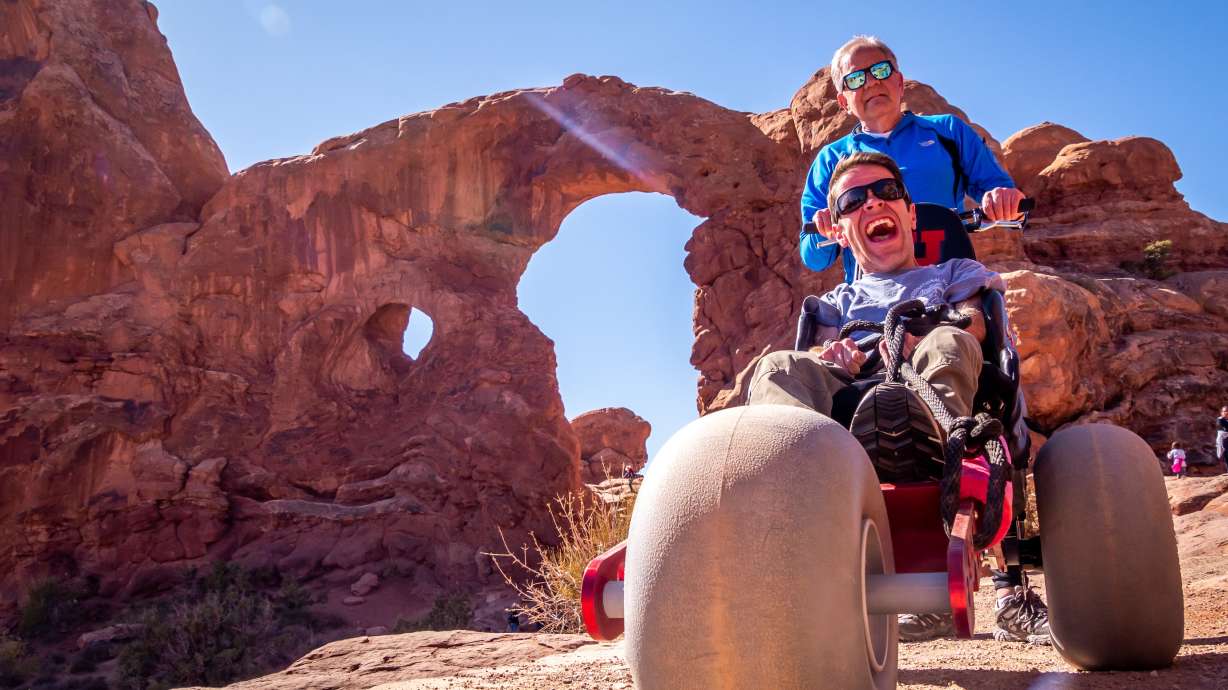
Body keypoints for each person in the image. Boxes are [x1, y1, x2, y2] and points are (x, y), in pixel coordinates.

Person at [751, 151, 1051, 645]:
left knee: (949, 341)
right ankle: (784, 497)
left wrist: (926, 329)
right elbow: (814, 358)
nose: (872, 204)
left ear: (911, 214)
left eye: (886, 192)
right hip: (851, 403)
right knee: (777, 367)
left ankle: (930, 449)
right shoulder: (834, 304)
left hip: (935, 389)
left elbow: (979, 324)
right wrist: (836, 355)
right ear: (842, 232)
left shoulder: (954, 272)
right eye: (853, 201)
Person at [800, 35, 1026, 284]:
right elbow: (814, 258)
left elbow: (1002, 195)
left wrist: (1003, 199)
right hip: (873, 292)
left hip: (950, 283)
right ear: (843, 101)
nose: (871, 82)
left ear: (899, 81)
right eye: (855, 79)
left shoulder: (949, 131)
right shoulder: (830, 159)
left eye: (880, 70)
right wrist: (823, 227)